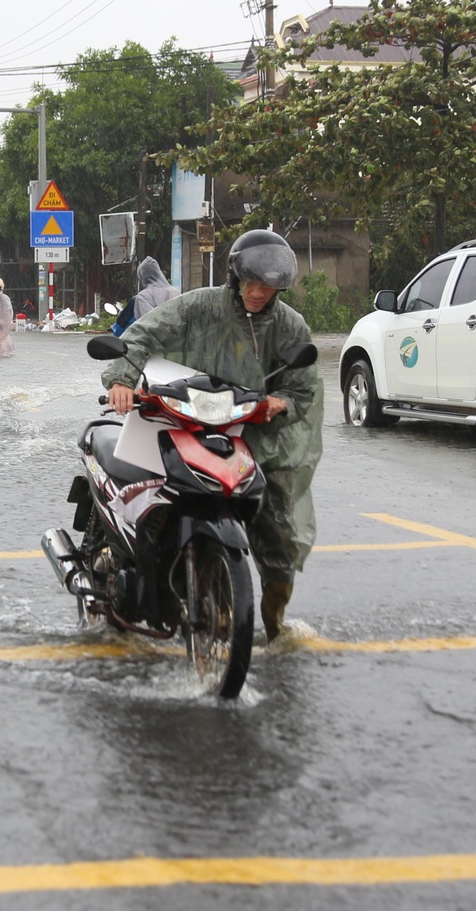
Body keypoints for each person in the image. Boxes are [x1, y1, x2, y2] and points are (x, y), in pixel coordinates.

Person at [101, 228, 323, 643]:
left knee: (282, 530)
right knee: (149, 493)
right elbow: (143, 334)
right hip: (185, 416)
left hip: (254, 432)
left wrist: (282, 404)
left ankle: (274, 624)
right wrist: (123, 381)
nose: (258, 293)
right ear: (235, 276)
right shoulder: (201, 306)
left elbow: (304, 387)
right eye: (251, 282)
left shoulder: (290, 326)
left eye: (269, 286)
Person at [111, 256, 179, 336]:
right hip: (176, 341)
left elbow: (148, 323)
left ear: (142, 276)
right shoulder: (176, 293)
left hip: (151, 344)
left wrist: (115, 328)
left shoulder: (141, 297)